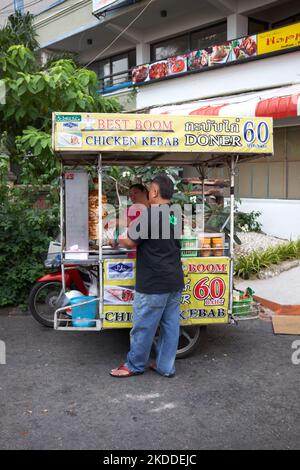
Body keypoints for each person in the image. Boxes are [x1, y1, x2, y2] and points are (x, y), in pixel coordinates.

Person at [110, 174, 184, 378]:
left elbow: (131, 242)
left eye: (151, 189)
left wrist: (118, 239)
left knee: (143, 326)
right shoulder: (175, 214)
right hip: (174, 278)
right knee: (170, 326)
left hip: (154, 281)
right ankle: (165, 366)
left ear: (154, 192)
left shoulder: (151, 214)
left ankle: (134, 365)